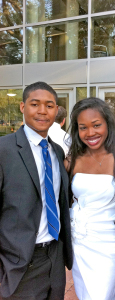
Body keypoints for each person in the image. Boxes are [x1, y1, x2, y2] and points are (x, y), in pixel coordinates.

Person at [0, 81, 72, 299]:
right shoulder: (4, 150)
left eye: (49, 106)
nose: (42, 111)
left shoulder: (57, 152)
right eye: (35, 104)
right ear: (23, 107)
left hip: (54, 258)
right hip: (17, 264)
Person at [64, 97, 115, 300]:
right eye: (83, 127)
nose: (90, 133)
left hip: (110, 246)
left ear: (108, 124)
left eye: (96, 125)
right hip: (79, 244)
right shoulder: (73, 159)